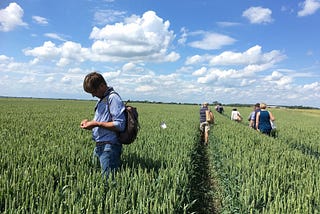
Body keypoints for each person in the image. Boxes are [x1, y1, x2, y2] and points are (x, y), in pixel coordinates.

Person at [80, 72, 126, 180]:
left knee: (108, 181)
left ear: (102, 85)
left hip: (109, 146)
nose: (93, 95)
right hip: (99, 145)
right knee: (95, 178)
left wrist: (96, 124)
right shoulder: (102, 99)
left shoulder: (113, 98)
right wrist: (88, 122)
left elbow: (120, 125)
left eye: (94, 91)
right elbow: (102, 120)